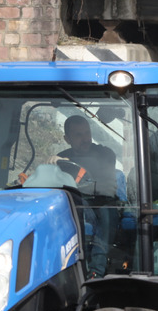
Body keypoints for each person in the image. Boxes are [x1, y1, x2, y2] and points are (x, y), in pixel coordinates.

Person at [49, 115, 119, 278]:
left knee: (107, 218)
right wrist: (54, 162)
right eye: (78, 135)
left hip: (104, 201)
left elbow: (97, 172)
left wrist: (67, 161)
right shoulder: (62, 156)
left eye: (87, 133)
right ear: (67, 139)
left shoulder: (105, 153)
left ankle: (96, 271)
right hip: (76, 201)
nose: (85, 139)